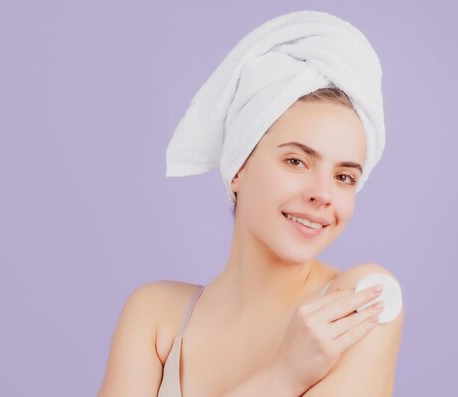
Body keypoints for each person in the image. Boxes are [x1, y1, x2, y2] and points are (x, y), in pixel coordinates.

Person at [98, 10, 403, 397]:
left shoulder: (361, 301)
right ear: (238, 168)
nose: (322, 194)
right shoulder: (154, 316)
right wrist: (284, 376)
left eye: (344, 177)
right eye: (296, 161)